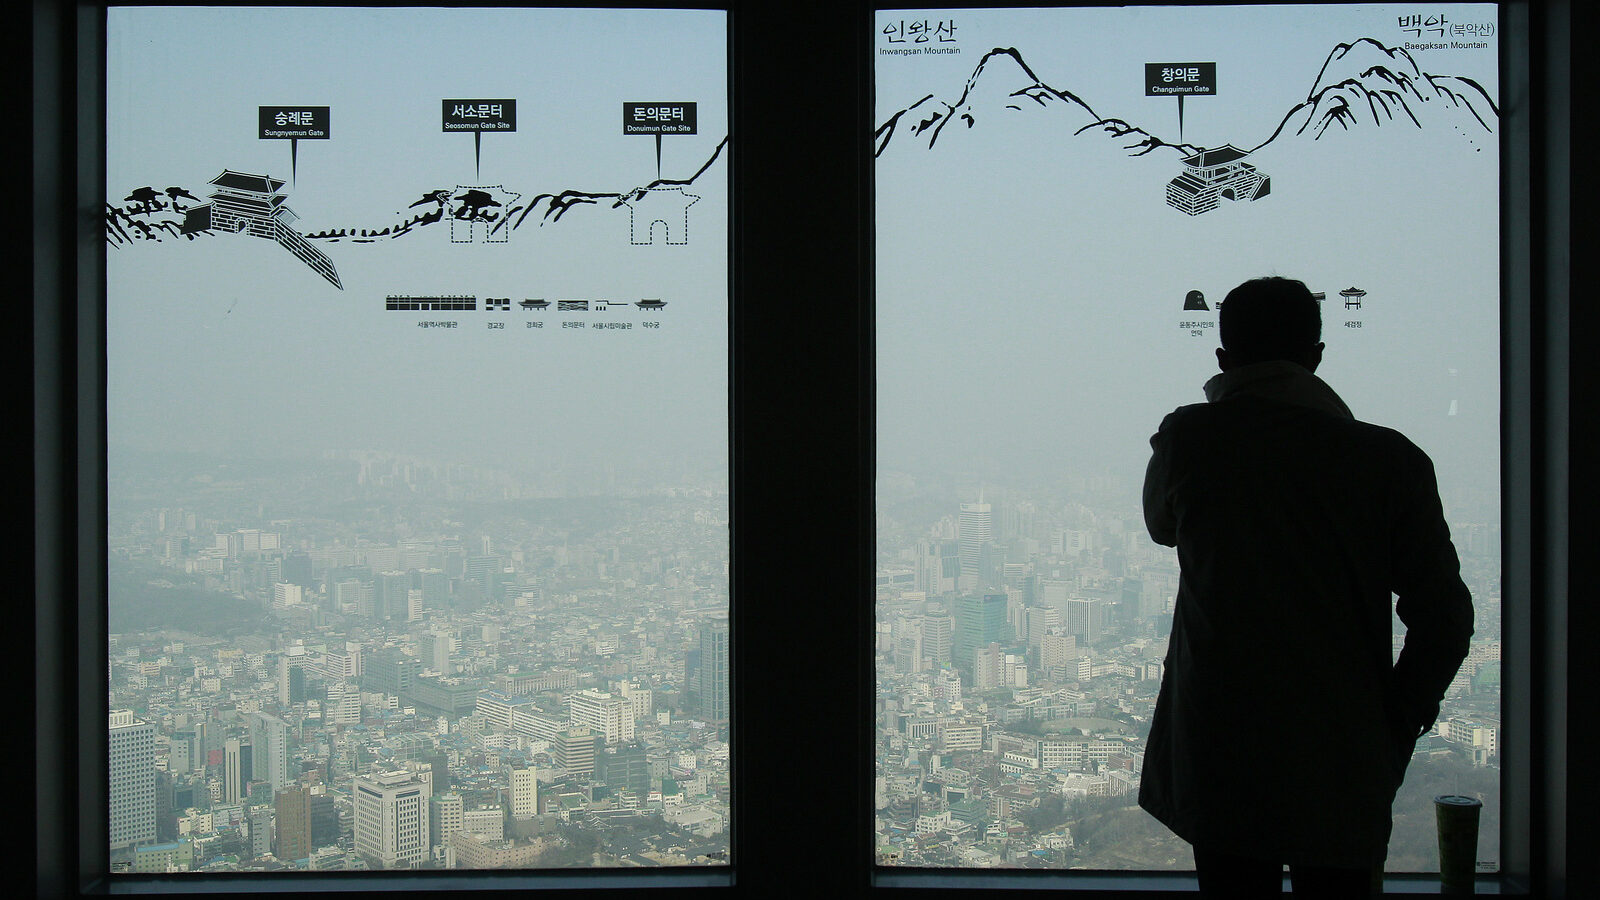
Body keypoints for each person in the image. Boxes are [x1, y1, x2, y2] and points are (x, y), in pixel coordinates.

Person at [1138, 276, 1474, 897]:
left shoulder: (1192, 441)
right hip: (1343, 751)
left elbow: (1161, 525)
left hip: (1221, 747)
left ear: (1223, 359)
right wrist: (1398, 719)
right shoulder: (1390, 461)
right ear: (1317, 357)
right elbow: (1445, 615)